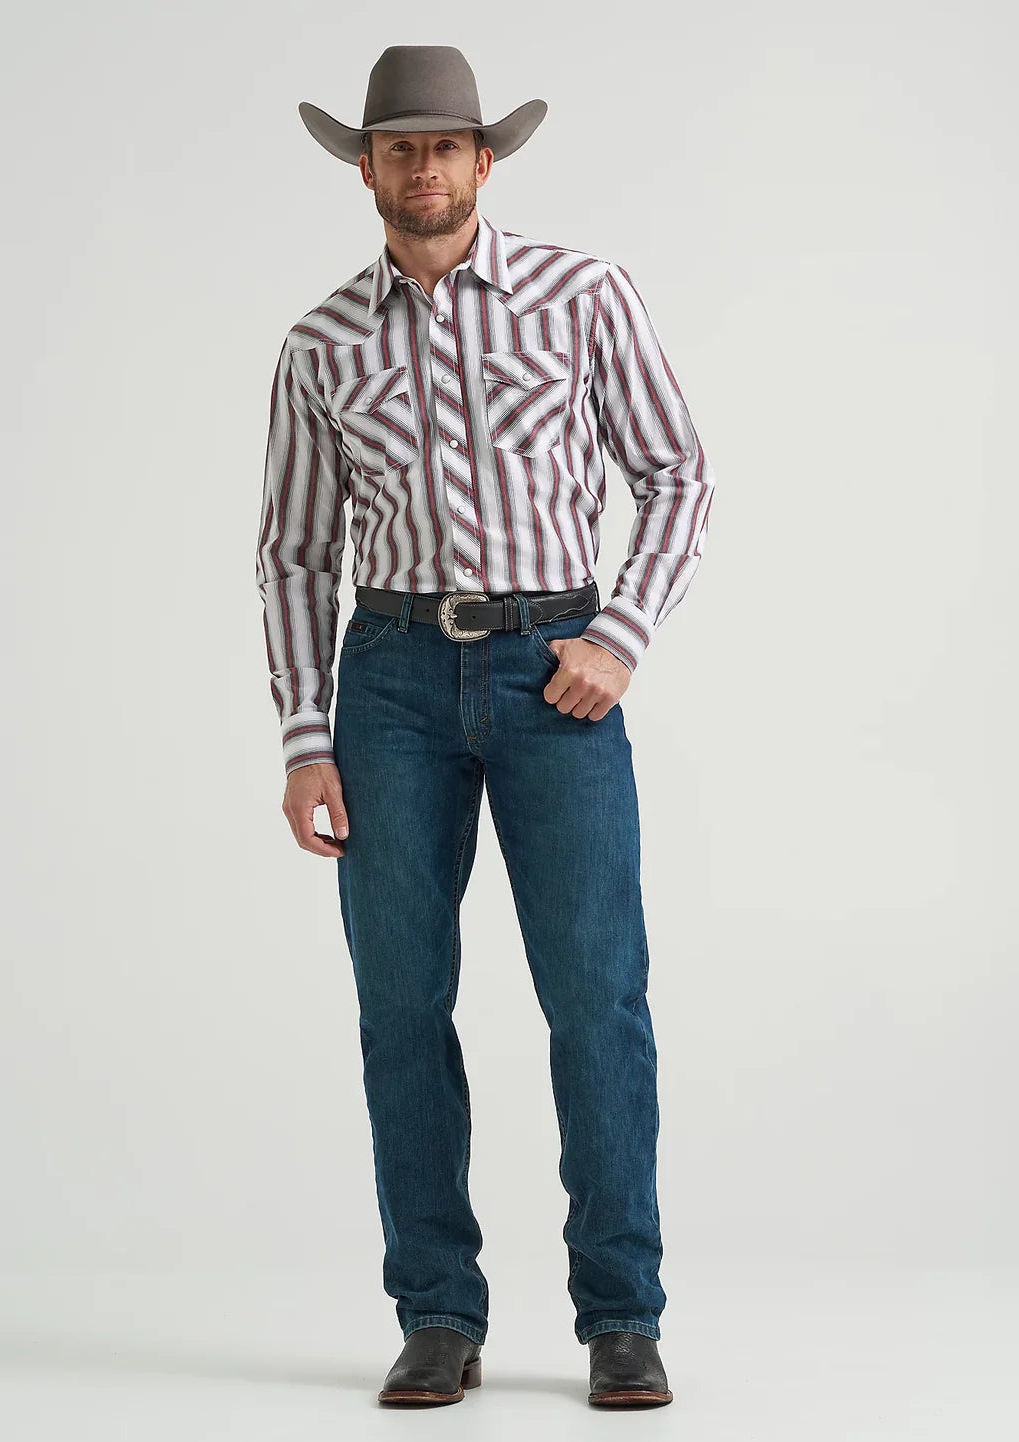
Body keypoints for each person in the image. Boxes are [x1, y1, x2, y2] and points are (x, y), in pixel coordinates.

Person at [255, 44, 715, 1408]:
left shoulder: (583, 296)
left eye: (446, 146)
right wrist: (304, 735)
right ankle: (437, 1312)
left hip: (554, 669)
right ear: (367, 168)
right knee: (401, 1005)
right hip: (388, 680)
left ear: (485, 161)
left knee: (596, 998)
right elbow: (291, 551)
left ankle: (621, 1317)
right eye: (398, 148)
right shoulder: (319, 344)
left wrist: (619, 635)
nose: (425, 169)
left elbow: (677, 470)